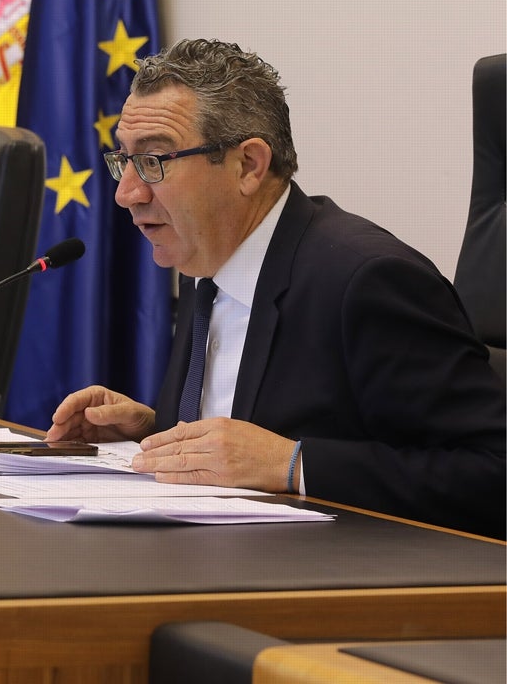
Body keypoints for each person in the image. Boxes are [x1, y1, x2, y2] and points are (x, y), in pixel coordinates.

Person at [46, 38, 506, 539]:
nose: (126, 193)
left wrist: (297, 465)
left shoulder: (368, 280)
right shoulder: (208, 260)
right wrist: (155, 432)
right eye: (124, 162)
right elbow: (252, 436)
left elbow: (493, 473)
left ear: (248, 165)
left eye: (154, 161)